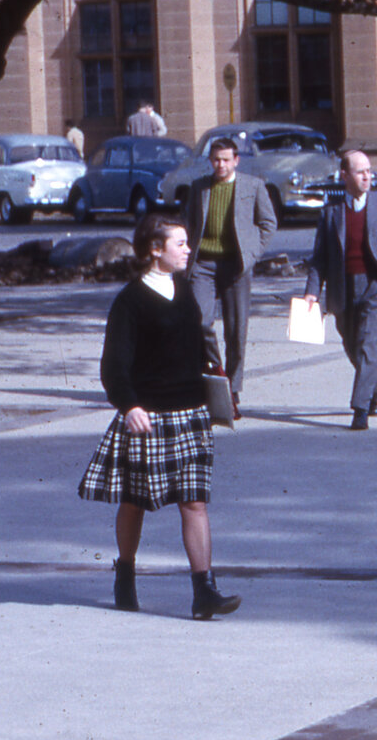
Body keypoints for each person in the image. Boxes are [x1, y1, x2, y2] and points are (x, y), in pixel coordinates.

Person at [78, 213, 241, 619]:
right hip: (147, 416)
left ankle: (204, 590)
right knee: (135, 502)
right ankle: (125, 572)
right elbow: (114, 364)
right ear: (155, 249)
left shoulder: (184, 290)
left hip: (191, 415)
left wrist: (218, 388)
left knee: (195, 502)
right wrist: (128, 404)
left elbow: (200, 345)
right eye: (180, 243)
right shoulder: (130, 301)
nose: (188, 250)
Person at [303, 147, 377, 430]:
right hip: (343, 287)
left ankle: (360, 408)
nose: (367, 176)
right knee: (352, 344)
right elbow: (319, 257)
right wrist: (311, 291)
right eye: (360, 171)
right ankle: (373, 386)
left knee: (370, 345)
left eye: (369, 171)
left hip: (376, 285)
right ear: (344, 175)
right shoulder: (331, 212)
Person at [178, 136, 281, 411]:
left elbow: (268, 223)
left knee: (236, 331)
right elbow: (188, 222)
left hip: (236, 266)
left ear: (236, 160)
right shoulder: (199, 187)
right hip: (204, 265)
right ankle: (215, 374)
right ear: (210, 161)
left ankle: (233, 388)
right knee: (199, 323)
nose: (220, 164)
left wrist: (252, 253)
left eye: (225, 159)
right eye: (215, 159)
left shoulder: (253, 185)